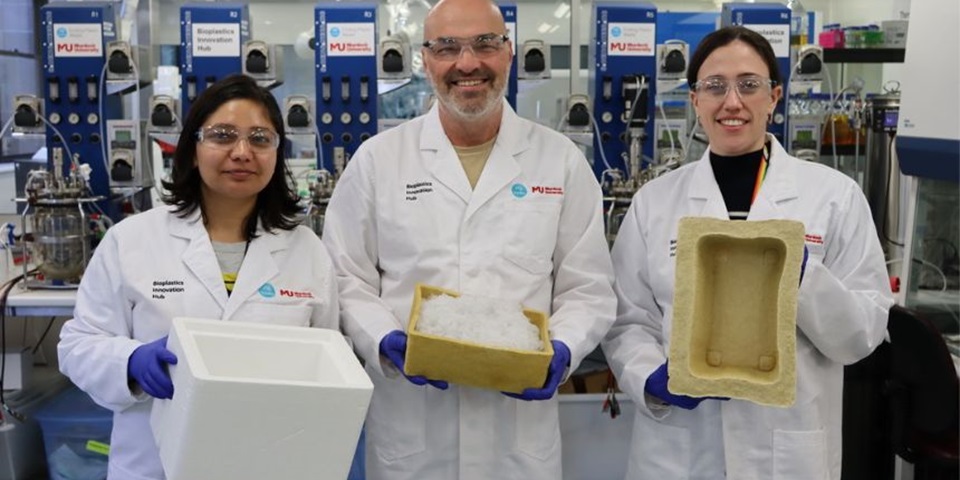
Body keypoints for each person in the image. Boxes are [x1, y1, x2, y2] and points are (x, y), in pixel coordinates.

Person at [320, 0, 616, 477]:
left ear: (509, 53)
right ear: (425, 59)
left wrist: (560, 350)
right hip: (413, 431)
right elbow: (345, 276)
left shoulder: (560, 161)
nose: (467, 63)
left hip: (517, 437)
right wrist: (384, 339)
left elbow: (588, 286)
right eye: (447, 48)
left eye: (485, 44)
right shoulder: (378, 161)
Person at [601, 26, 894, 480]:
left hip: (786, 446)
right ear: (696, 99)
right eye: (715, 86)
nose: (732, 102)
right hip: (680, 448)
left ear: (774, 96)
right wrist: (652, 377)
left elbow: (863, 333)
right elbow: (627, 320)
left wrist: (804, 277)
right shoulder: (655, 202)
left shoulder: (833, 196)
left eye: (749, 85)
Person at [58, 74, 339, 480]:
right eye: (223, 135)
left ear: (277, 154)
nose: (242, 152)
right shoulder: (132, 240)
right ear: (192, 150)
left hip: (272, 462)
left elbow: (332, 356)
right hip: (156, 464)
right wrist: (131, 362)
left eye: (260, 138)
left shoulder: (306, 250)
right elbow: (77, 344)